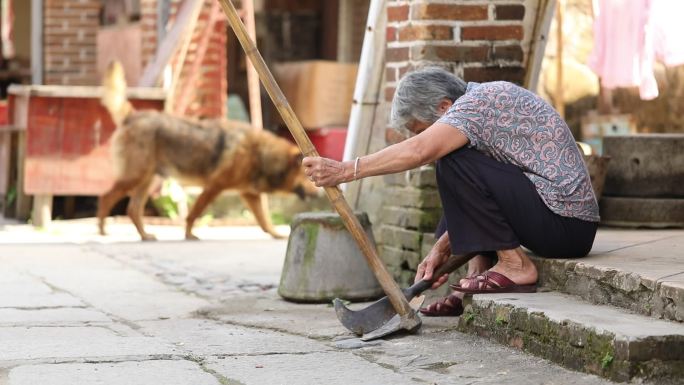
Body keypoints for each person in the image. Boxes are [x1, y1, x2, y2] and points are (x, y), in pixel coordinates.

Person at [302, 66, 599, 317]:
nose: (421, 137)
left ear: (445, 107)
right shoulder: (478, 106)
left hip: (566, 224)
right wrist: (440, 252)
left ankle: (516, 265)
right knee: (454, 164)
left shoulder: (480, 102)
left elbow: (420, 151)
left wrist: (345, 170)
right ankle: (475, 274)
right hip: (559, 224)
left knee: (451, 160)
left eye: (420, 129)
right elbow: (486, 200)